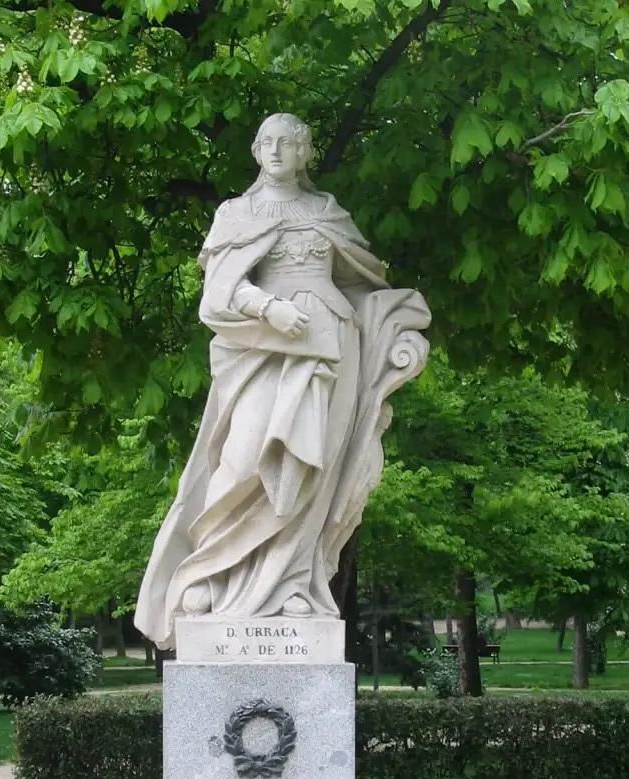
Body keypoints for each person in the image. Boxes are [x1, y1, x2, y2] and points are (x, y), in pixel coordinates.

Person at [135, 113, 429, 649]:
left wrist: (390, 337)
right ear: (255, 150)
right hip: (263, 349)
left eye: (287, 142)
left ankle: (291, 583)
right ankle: (211, 575)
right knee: (242, 459)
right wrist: (269, 308)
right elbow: (220, 290)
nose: (275, 150)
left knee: (308, 467)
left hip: (330, 348)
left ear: (304, 153)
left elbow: (360, 284)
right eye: (266, 141)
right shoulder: (236, 213)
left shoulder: (327, 212)